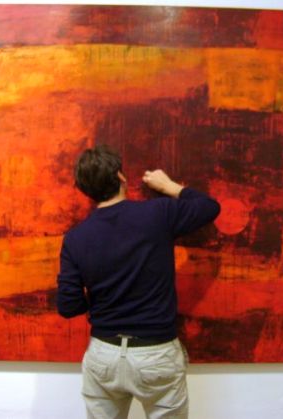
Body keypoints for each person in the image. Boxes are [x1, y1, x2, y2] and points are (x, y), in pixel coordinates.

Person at [56, 145, 220, 419]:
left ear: (86, 191)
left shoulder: (75, 238)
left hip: (104, 354)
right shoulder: (157, 214)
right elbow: (209, 207)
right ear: (120, 176)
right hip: (156, 353)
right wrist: (168, 186)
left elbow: (68, 306)